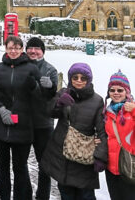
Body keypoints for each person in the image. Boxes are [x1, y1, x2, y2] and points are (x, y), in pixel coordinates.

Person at [41, 63, 108, 200]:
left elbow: (102, 131)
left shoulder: (97, 101)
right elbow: (49, 113)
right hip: (62, 156)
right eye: (75, 77)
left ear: (88, 80)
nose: (78, 80)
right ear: (70, 78)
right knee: (66, 194)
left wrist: (101, 157)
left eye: (83, 78)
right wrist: (59, 103)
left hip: (83, 158)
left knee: (86, 196)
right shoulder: (63, 93)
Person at [0, 35, 41, 200]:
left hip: (22, 127)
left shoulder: (31, 69)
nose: (13, 51)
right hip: (0, 125)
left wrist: (37, 87)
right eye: (10, 48)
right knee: (2, 167)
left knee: (20, 168)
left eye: (17, 48)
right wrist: (1, 109)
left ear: (21, 49)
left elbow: (41, 97)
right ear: (6, 49)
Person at [26, 37, 58, 200]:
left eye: (36, 48)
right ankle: (25, 194)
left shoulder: (50, 70)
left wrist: (50, 87)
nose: (33, 51)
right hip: (23, 123)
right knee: (20, 164)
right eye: (30, 48)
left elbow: (52, 97)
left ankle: (42, 196)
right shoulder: (20, 67)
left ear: (43, 51)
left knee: (44, 165)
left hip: (43, 124)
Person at [103, 70, 135, 200]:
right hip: (111, 168)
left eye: (120, 90)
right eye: (112, 90)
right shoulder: (106, 112)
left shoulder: (132, 110)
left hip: (130, 167)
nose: (116, 93)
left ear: (126, 92)